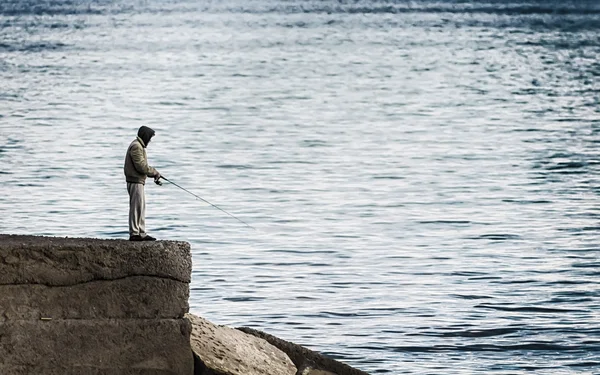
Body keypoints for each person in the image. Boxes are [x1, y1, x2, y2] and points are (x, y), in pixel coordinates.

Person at [124, 126, 161, 241]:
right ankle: (134, 233)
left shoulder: (139, 146)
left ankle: (141, 232)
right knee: (136, 207)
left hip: (138, 181)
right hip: (135, 181)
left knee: (140, 207)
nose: (149, 141)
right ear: (145, 136)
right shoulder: (136, 146)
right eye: (149, 138)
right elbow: (141, 166)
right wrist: (154, 172)